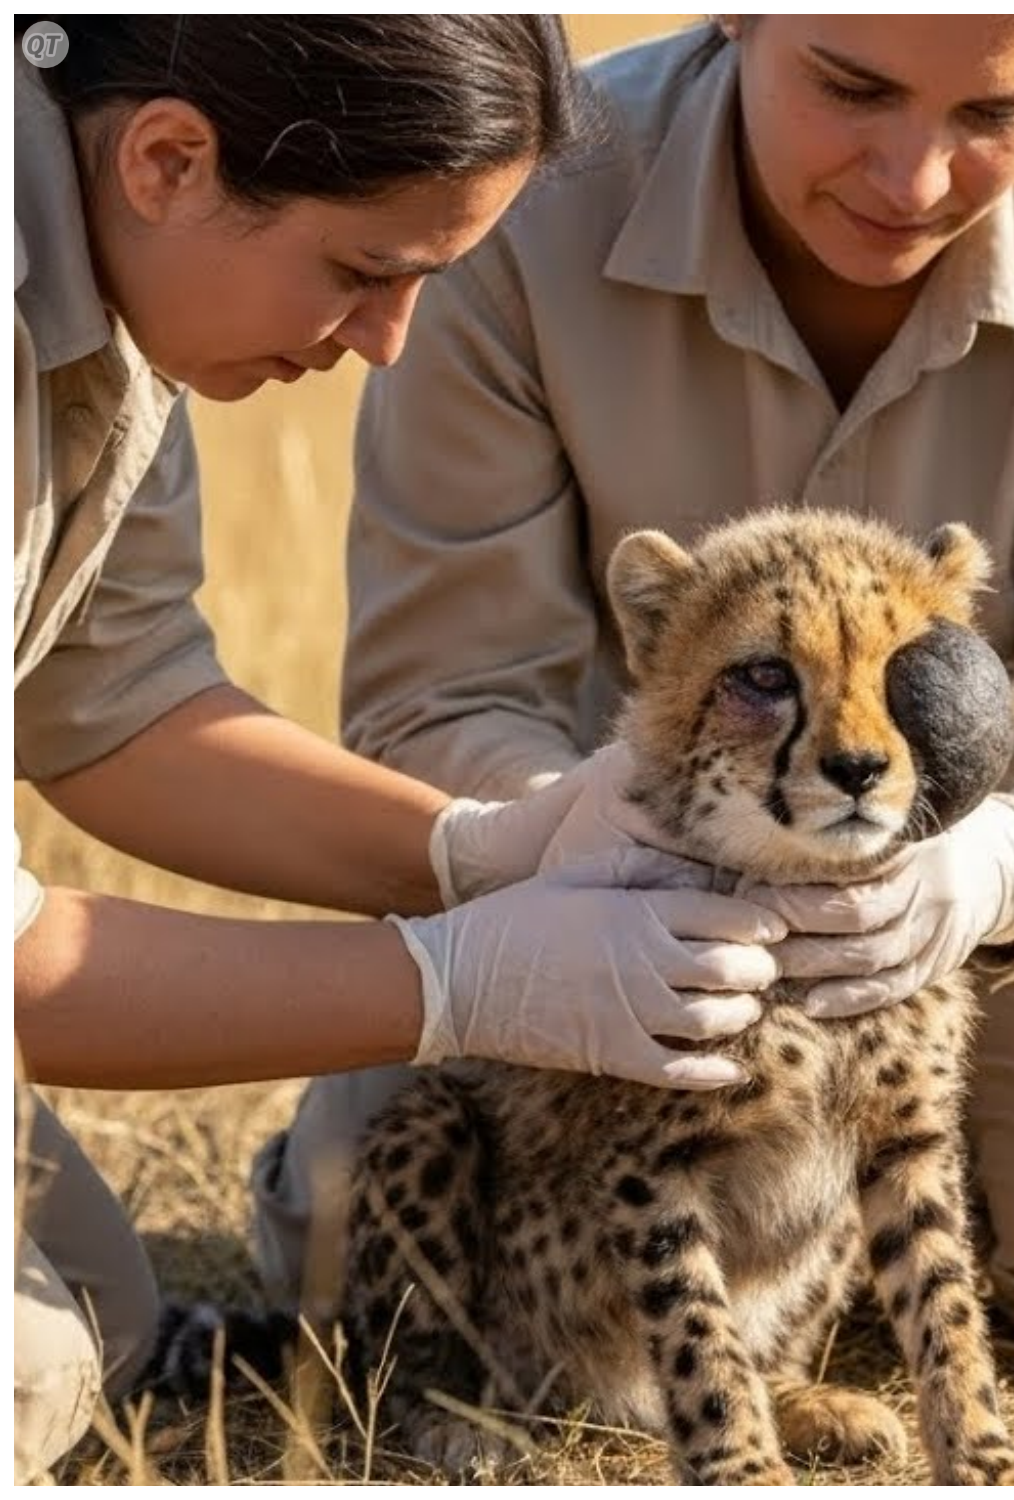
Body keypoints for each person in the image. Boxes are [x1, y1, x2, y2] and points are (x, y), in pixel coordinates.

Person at [256, 15, 1014, 1360]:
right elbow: (434, 701)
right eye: (852, 87)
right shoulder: (507, 205)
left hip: (967, 865)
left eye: (994, 116)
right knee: (350, 1260)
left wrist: (993, 873)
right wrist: (594, 841)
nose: (913, 178)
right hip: (610, 860)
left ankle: (879, 1209)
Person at [13, 16, 793, 1481]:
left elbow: (114, 701)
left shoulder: (127, 273)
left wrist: (481, 850)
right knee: (29, 1368)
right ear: (170, 159)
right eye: (364, 271)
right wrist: (453, 984)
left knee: (107, 1316)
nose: (388, 342)